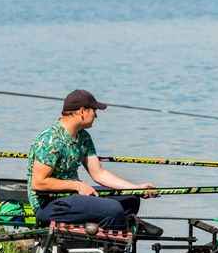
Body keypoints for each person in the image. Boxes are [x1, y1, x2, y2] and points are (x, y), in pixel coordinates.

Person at [28, 89, 162, 235]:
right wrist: (78, 185)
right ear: (82, 111)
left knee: (131, 198)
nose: (96, 115)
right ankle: (114, 247)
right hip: (48, 204)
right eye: (94, 110)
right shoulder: (51, 139)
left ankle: (121, 228)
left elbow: (99, 173)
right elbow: (38, 183)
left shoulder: (83, 137)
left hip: (71, 195)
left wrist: (136, 188)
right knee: (112, 209)